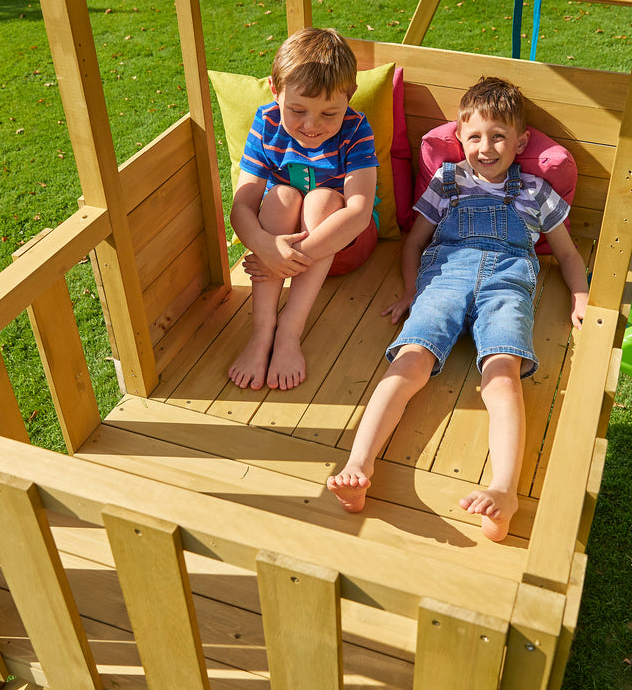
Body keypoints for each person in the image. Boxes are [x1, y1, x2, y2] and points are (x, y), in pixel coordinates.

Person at [327, 76, 589, 541]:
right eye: (474, 137)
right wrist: (411, 291)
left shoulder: (535, 191)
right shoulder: (446, 183)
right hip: (445, 278)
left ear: (521, 141)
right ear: (459, 137)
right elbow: (415, 244)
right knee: (410, 360)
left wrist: (581, 295)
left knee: (502, 375)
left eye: (499, 136)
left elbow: (567, 254)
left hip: (507, 284)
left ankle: (504, 492)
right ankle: (358, 464)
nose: (486, 148)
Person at [228, 28, 379, 392]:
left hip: (342, 246)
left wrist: (288, 257)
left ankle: (288, 335)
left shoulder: (356, 130)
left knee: (322, 199)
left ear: (350, 97)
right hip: (281, 248)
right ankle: (262, 333)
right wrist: (265, 248)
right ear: (274, 90)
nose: (312, 126)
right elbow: (242, 206)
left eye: (330, 112)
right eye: (297, 110)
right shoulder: (266, 123)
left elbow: (358, 213)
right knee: (281, 196)